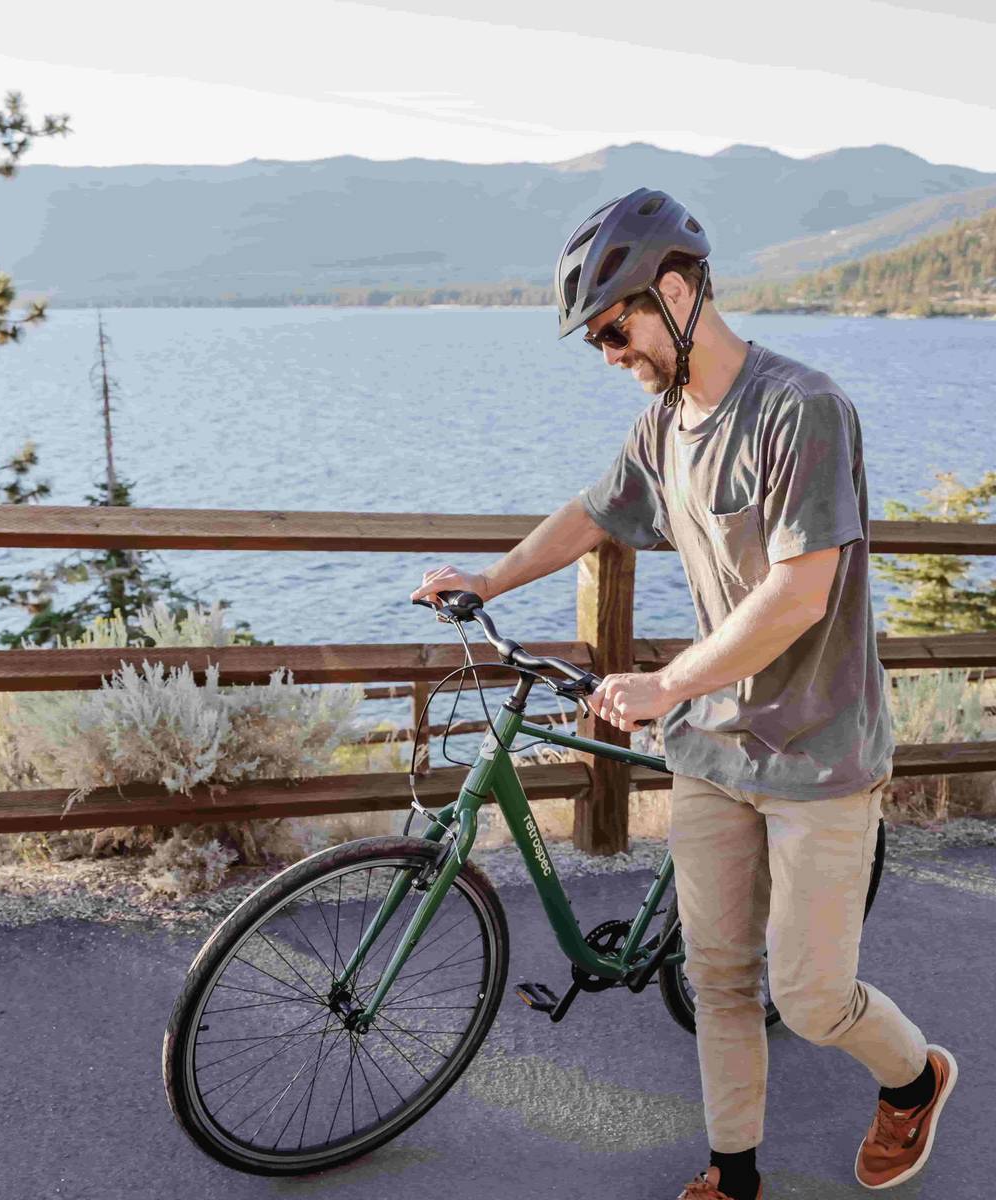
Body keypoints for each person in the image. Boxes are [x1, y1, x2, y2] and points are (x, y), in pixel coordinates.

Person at [409, 188, 958, 1200]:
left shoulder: (803, 410)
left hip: (819, 753)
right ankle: (732, 1173)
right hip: (713, 750)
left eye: (612, 329)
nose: (607, 353)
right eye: (595, 340)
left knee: (810, 996)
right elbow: (592, 514)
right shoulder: (663, 425)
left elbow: (800, 594)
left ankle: (915, 1078)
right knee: (718, 979)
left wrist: (666, 683)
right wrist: (488, 579)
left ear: (673, 291)